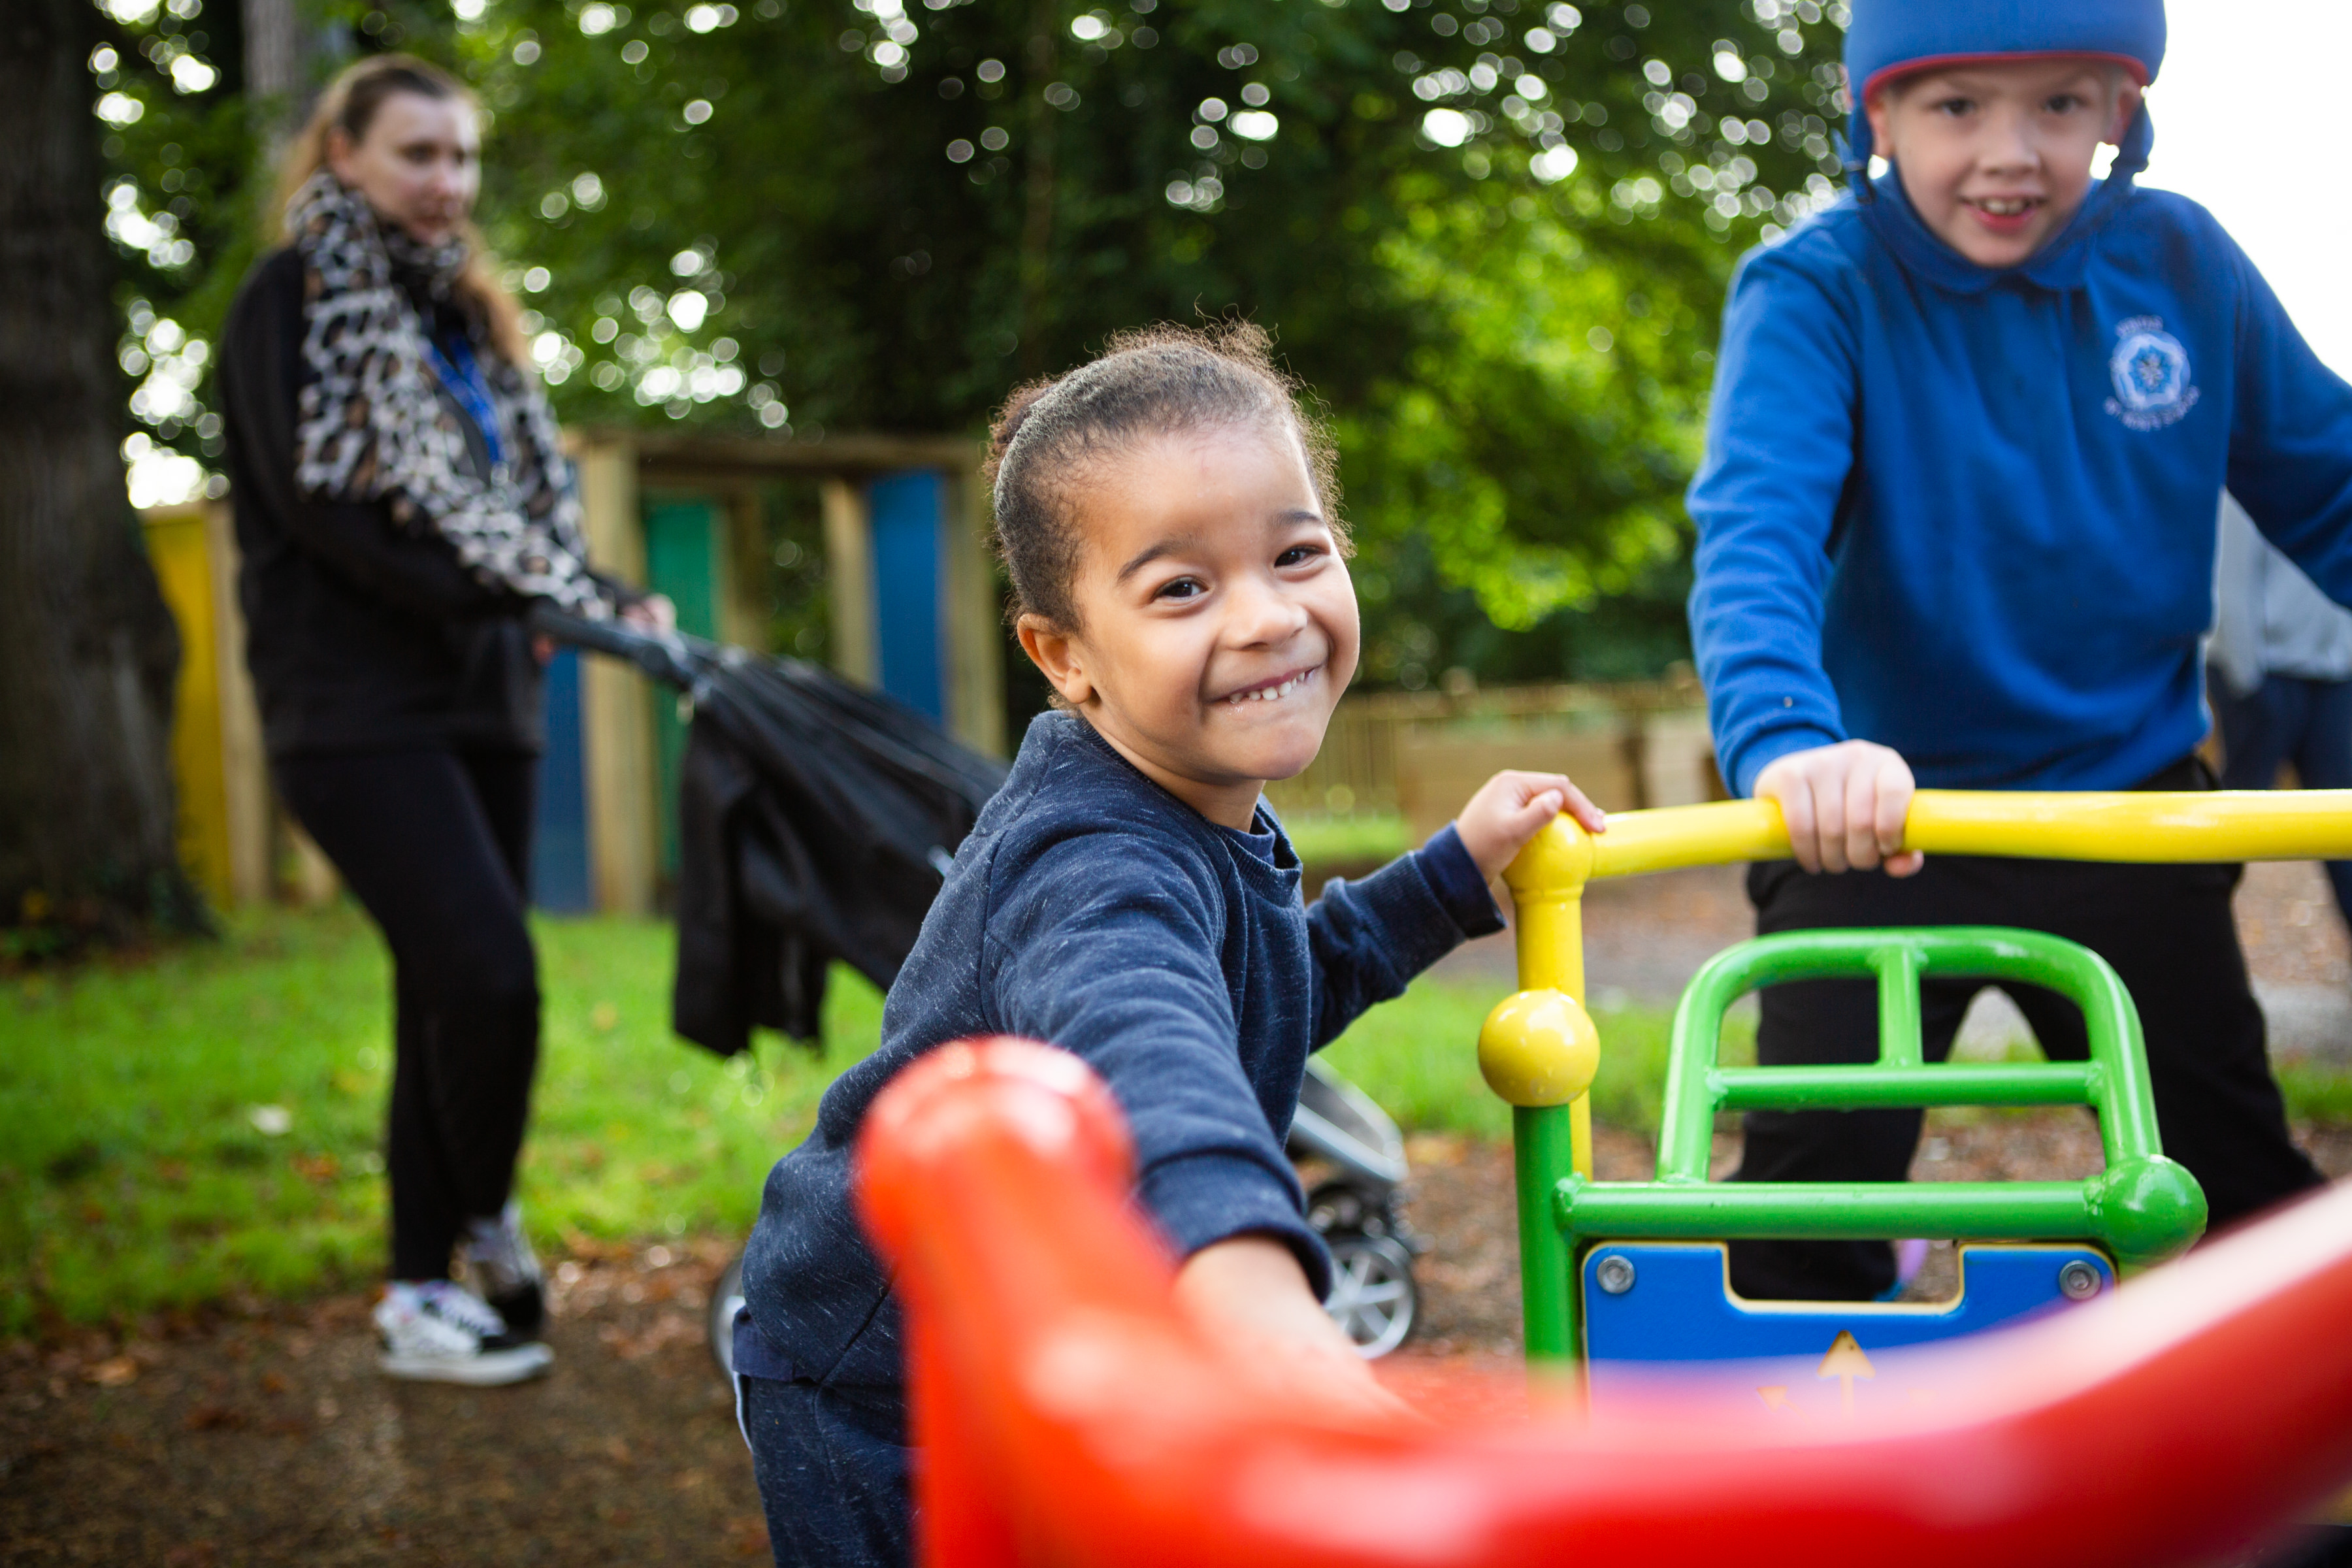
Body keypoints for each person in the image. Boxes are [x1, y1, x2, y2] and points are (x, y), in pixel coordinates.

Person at [732, 325, 1605, 1566]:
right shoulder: (1093, 862)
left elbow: (1269, 995)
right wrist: (1253, 1293)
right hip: (890, 1386)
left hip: (1053, 1325)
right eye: (1182, 588)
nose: (1266, 617)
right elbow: (1146, 1053)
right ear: (1066, 657)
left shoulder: (1198, 794)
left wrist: (1449, 873)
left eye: (1295, 554)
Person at [1687, 0, 2345, 1303]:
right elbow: (1757, 533)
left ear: (2121, 110)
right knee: (1808, 1196)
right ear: (1878, 117)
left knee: (2229, 1186)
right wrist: (1789, 742)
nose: (2010, 152)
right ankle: (1820, 1388)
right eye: (1957, 107)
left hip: (2120, 805)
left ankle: (2251, 1412)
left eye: (2058, 103)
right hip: (1876, 813)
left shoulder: (2182, 265)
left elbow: (2330, 486)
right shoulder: (1816, 287)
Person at [216, 55, 672, 1384]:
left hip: (487, 698)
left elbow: (518, 525)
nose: (445, 181)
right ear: (342, 155)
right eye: (416, 152)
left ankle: (425, 1283)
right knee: (486, 973)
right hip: (353, 708)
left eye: (461, 156)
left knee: (444, 992)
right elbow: (318, 510)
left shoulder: (468, 320)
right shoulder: (294, 298)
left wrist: (603, 596)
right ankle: (476, 1216)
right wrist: (512, 596)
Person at [2210, 491, 2352, 930]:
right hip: (2265, 674)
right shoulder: (2264, 457)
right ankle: (2186, 941)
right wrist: (2247, 678)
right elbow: (2229, 571)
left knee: (2343, 833)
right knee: (2227, 837)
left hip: (2333, 674)